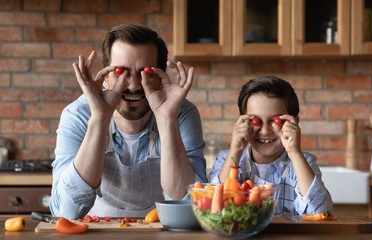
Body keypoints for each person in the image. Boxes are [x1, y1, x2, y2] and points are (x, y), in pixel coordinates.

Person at [50, 24, 207, 219]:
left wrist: (166, 118)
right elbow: (65, 211)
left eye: (146, 73)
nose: (133, 85)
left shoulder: (181, 114)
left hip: (162, 232)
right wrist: (100, 119)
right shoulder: (78, 114)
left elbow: (191, 209)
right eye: (120, 71)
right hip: (94, 234)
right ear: (105, 77)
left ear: (160, 78)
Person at [209, 76, 333, 215]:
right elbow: (213, 210)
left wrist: (294, 152)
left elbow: (320, 213)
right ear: (242, 122)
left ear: (294, 122)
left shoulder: (304, 162)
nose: (265, 131)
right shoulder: (227, 158)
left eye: (276, 121)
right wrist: (235, 151)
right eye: (256, 121)